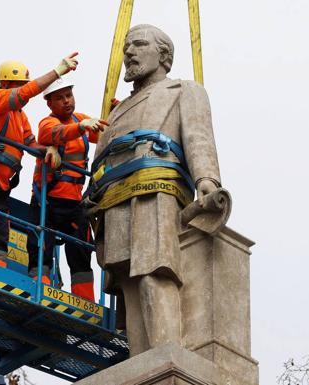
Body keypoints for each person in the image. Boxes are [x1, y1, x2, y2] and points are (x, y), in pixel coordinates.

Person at [87, 25, 221, 355]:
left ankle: (166, 352)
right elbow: (102, 155)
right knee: (126, 282)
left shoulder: (183, 90)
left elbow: (198, 137)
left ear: (163, 55)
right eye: (126, 47)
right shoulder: (116, 111)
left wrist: (207, 180)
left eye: (139, 44)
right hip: (116, 200)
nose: (129, 52)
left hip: (157, 191)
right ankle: (142, 360)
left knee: (154, 272)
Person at [0, 53, 79, 267]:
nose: (22, 90)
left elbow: (31, 145)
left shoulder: (20, 116)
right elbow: (25, 94)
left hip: (2, 182)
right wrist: (56, 73)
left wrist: (48, 150)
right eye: (18, 85)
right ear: (5, 83)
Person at [26, 77, 108, 301]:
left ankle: (85, 301)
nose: (66, 101)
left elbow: (104, 133)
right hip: (48, 201)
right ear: (49, 103)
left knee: (81, 250)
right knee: (41, 246)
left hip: (73, 202)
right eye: (60, 98)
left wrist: (118, 113)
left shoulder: (79, 120)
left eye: (68, 96)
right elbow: (53, 134)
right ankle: (39, 290)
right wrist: (81, 126)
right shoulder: (48, 123)